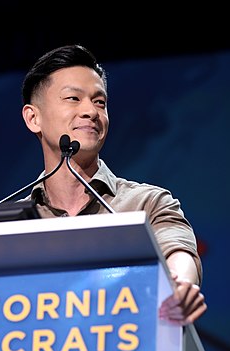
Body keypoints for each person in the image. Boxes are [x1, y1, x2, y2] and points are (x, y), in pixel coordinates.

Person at [19, 44, 206, 326]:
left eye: (100, 102)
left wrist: (178, 286)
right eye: (73, 98)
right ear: (34, 118)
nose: (90, 112)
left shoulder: (147, 203)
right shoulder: (10, 224)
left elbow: (177, 251)